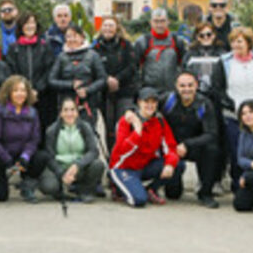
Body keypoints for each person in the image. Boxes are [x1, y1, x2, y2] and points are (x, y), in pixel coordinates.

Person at [210, 27, 253, 190]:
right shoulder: (224, 62)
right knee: (237, 151)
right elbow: (218, 88)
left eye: (240, 41)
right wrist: (231, 105)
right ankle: (238, 184)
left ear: (249, 43)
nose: (236, 45)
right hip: (233, 115)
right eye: (234, 41)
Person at [108, 88, 179, 207]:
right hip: (123, 167)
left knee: (178, 164)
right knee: (139, 200)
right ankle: (119, 187)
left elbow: (171, 147)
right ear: (139, 102)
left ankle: (150, 189)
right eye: (146, 102)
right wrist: (137, 131)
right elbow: (121, 151)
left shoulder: (160, 121)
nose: (150, 105)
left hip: (144, 166)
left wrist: (169, 164)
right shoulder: (126, 121)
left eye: (154, 102)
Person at [160, 71, 220, 207]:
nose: (186, 89)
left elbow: (211, 133)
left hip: (195, 146)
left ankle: (205, 193)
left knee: (212, 149)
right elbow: (145, 106)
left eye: (190, 85)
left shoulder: (204, 104)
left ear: (196, 86)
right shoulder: (167, 100)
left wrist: (187, 144)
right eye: (182, 86)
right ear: (176, 86)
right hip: (171, 148)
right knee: (173, 195)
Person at [0, 75, 43, 203]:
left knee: (41, 157)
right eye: (16, 90)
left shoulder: (32, 112)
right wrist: (7, 159)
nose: (20, 94)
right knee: (0, 196)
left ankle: (27, 184)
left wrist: (25, 157)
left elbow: (34, 139)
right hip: (2, 155)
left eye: (23, 90)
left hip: (22, 154)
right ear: (8, 93)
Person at [40, 98, 105, 203]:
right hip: (59, 166)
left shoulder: (85, 127)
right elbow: (49, 157)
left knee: (98, 165)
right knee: (48, 187)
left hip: (78, 168)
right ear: (60, 113)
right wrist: (61, 173)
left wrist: (77, 165)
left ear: (77, 112)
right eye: (65, 110)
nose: (69, 113)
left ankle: (84, 191)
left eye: (72, 110)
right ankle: (60, 190)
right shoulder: (51, 130)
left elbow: (93, 151)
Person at [48, 24, 107, 123]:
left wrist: (88, 90)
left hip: (88, 104)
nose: (71, 39)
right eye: (68, 36)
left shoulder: (93, 55)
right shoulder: (61, 57)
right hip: (66, 104)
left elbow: (102, 79)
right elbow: (51, 80)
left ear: (82, 37)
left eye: (75, 36)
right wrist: (71, 85)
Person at [94, 17, 137, 149]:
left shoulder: (126, 45)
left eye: (111, 26)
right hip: (104, 93)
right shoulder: (95, 46)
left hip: (124, 91)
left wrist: (117, 79)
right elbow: (93, 67)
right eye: (105, 26)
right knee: (109, 128)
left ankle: (124, 156)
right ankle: (111, 159)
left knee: (123, 125)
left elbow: (132, 66)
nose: (108, 29)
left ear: (117, 28)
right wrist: (106, 79)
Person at [4, 12, 54, 122]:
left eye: (32, 23)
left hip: (43, 96)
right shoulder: (14, 48)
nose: (29, 26)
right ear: (21, 26)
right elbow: (12, 70)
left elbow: (49, 70)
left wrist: (37, 89)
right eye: (26, 23)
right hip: (20, 96)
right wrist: (25, 90)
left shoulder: (45, 46)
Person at [134, 8, 186, 94]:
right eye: (156, 21)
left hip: (173, 91)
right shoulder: (143, 41)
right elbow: (135, 68)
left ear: (168, 22)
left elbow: (184, 66)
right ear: (151, 23)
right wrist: (139, 88)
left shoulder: (177, 41)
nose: (159, 25)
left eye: (162, 21)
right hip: (149, 92)